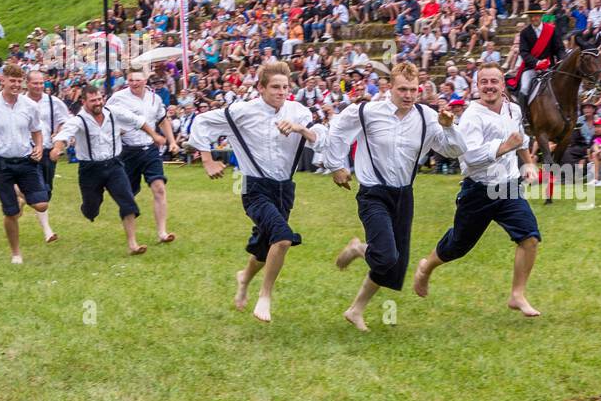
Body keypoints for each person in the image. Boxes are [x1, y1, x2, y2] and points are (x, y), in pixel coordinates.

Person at [324, 63, 466, 332]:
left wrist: (449, 127)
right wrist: (336, 166)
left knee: (394, 265)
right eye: (402, 88)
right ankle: (358, 249)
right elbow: (338, 130)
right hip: (373, 193)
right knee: (386, 255)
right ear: (389, 87)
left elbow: (455, 150)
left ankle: (355, 310)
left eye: (414, 89)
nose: (409, 94)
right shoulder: (368, 112)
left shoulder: (427, 117)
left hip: (403, 195)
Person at [188, 63, 320, 323]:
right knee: (282, 238)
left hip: (284, 188)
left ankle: (243, 278)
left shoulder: (299, 111)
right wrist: (207, 160)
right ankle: (265, 296)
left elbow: (318, 137)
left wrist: (298, 128)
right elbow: (202, 122)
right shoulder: (242, 111)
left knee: (264, 247)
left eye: (285, 87)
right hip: (254, 188)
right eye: (275, 87)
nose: (281, 92)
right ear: (261, 88)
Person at [412, 65, 543, 316]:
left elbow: (521, 139)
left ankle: (517, 295)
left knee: (530, 237)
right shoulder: (472, 115)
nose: (489, 86)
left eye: (494, 81)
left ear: (503, 85)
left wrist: (527, 163)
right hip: (478, 191)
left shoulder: (513, 109)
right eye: (484, 82)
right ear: (477, 86)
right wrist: (505, 147)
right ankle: (426, 267)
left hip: (508, 188)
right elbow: (470, 158)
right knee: (458, 246)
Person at [49, 85, 158, 257]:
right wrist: (56, 149)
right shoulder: (79, 120)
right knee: (92, 209)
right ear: (83, 101)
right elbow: (64, 135)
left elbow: (139, 121)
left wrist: (155, 136)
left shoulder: (113, 112)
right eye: (93, 101)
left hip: (114, 165)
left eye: (100, 99)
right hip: (90, 170)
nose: (98, 103)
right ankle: (88, 208)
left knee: (128, 202)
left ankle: (132, 244)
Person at [0, 64, 49, 264]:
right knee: (10, 211)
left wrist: (38, 147)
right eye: (11, 81)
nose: (15, 85)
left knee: (41, 203)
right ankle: (16, 253)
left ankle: (22, 198)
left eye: (18, 81)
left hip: (25, 160)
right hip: (0, 163)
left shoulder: (30, 106)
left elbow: (36, 130)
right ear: (2, 80)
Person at [107, 67, 180, 243]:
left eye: (137, 80)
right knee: (127, 196)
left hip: (150, 149)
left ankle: (162, 232)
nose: (134, 83)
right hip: (127, 151)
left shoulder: (154, 98)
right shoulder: (118, 98)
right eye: (131, 80)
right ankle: (132, 241)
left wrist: (172, 141)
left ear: (145, 80)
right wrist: (118, 132)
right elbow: (106, 117)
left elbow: (163, 121)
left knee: (159, 188)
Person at [25, 69, 68, 244]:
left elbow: (65, 123)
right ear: (27, 83)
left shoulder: (54, 102)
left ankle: (22, 197)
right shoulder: (20, 102)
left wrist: (57, 142)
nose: (38, 86)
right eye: (35, 83)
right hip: (27, 152)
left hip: (48, 151)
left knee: (47, 191)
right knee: (40, 192)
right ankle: (47, 231)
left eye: (41, 83)